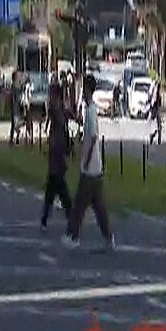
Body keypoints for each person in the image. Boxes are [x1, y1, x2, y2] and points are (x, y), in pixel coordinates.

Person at [64, 72, 115, 251]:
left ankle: (74, 236)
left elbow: (93, 137)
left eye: (83, 89)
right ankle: (108, 237)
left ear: (87, 89)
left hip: (90, 167)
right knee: (99, 207)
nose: (82, 92)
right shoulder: (89, 110)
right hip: (95, 168)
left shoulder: (91, 111)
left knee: (79, 205)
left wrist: (86, 160)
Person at [41, 80, 74, 228]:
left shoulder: (58, 108)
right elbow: (60, 119)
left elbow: (63, 120)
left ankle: (64, 214)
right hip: (56, 149)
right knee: (56, 184)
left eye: (51, 94)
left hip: (58, 149)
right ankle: (67, 214)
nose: (50, 97)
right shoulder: (56, 108)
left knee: (56, 183)